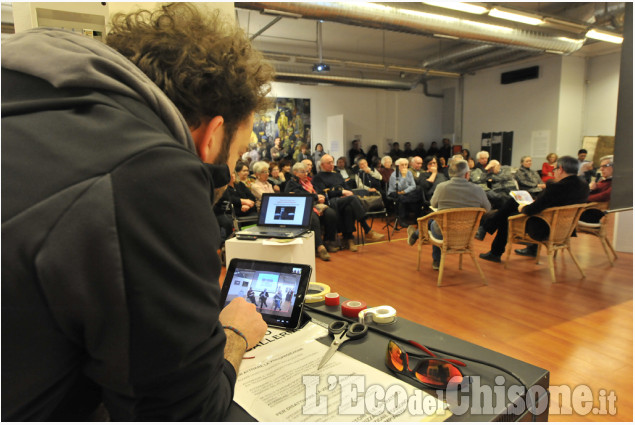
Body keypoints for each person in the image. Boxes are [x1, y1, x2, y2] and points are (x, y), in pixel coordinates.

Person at [2, 3, 272, 421]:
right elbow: (184, 415)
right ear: (213, 135)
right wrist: (234, 334)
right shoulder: (151, 174)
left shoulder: (30, 100)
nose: (233, 175)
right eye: (237, 157)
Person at [479, 156, 589, 262]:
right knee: (512, 203)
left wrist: (524, 208)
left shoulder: (557, 187)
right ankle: (531, 248)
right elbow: (548, 204)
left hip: (543, 228)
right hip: (564, 228)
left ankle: (493, 247)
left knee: (508, 215)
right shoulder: (584, 185)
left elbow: (531, 210)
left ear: (560, 169)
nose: (554, 172)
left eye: (555, 169)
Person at [407, 160, 491, 270]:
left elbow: (433, 204)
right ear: (466, 174)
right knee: (436, 221)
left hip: (443, 233)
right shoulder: (478, 189)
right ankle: (415, 235)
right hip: (467, 233)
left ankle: (435, 259)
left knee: (436, 221)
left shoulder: (442, 187)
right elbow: (488, 208)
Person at [313, 155, 385, 251]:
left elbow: (347, 188)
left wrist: (346, 192)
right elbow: (323, 194)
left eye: (332, 162)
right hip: (331, 202)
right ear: (322, 165)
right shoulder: (318, 177)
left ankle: (349, 239)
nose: (332, 164)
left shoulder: (337, 175)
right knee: (352, 199)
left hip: (344, 200)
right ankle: (367, 229)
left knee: (349, 207)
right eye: (329, 163)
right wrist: (341, 192)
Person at [285, 162, 338, 260]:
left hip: (314, 204)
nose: (306, 174)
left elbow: (316, 192)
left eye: (306, 172)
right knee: (313, 217)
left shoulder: (309, 182)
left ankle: (328, 241)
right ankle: (320, 247)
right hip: (301, 207)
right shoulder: (291, 183)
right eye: (302, 172)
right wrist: (316, 197)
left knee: (331, 213)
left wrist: (320, 196)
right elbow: (299, 194)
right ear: (295, 173)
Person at [388, 158, 422, 227]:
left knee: (419, 190)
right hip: (394, 192)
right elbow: (398, 188)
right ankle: (402, 220)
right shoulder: (394, 175)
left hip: (405, 192)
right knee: (401, 198)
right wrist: (403, 177)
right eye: (402, 165)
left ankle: (417, 218)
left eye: (406, 165)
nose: (404, 166)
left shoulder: (409, 173)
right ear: (398, 166)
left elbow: (413, 185)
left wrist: (405, 191)